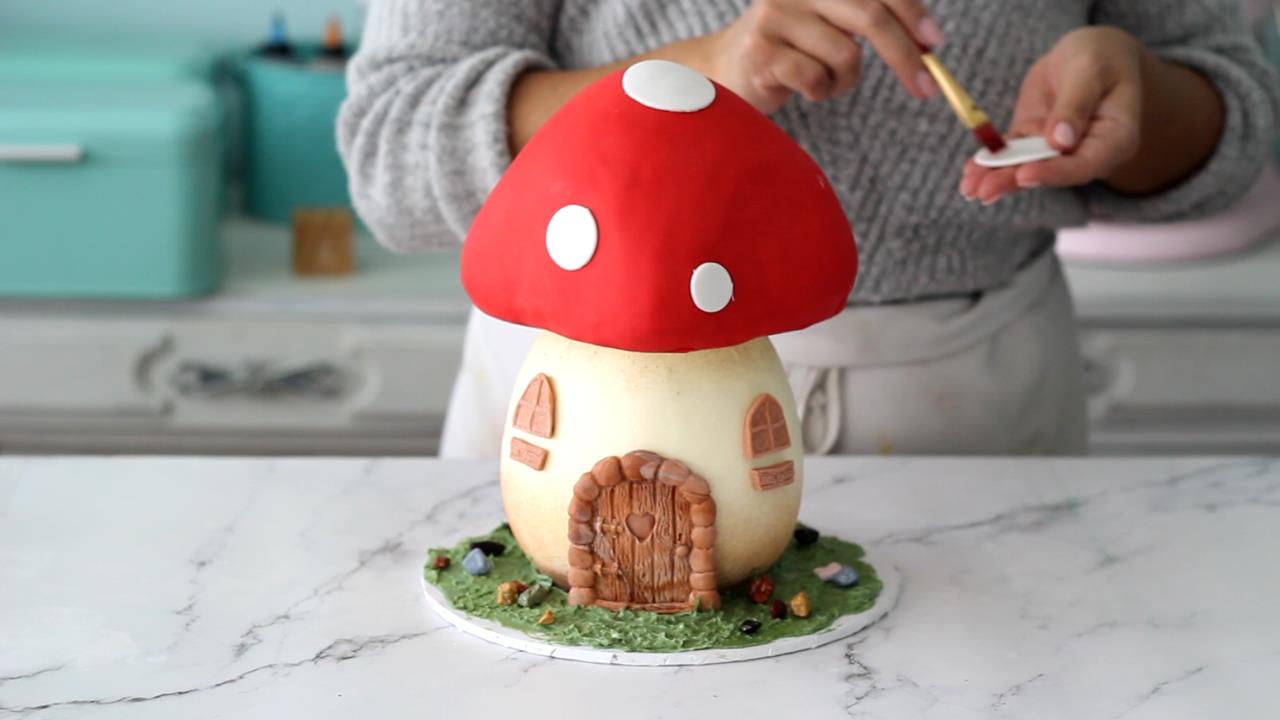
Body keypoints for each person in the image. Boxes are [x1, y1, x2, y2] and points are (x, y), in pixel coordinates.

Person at [338, 0, 1278, 458]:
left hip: (976, 415)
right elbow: (392, 154)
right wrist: (694, 76)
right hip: (595, 399)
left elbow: (1232, 113)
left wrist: (1146, 99)